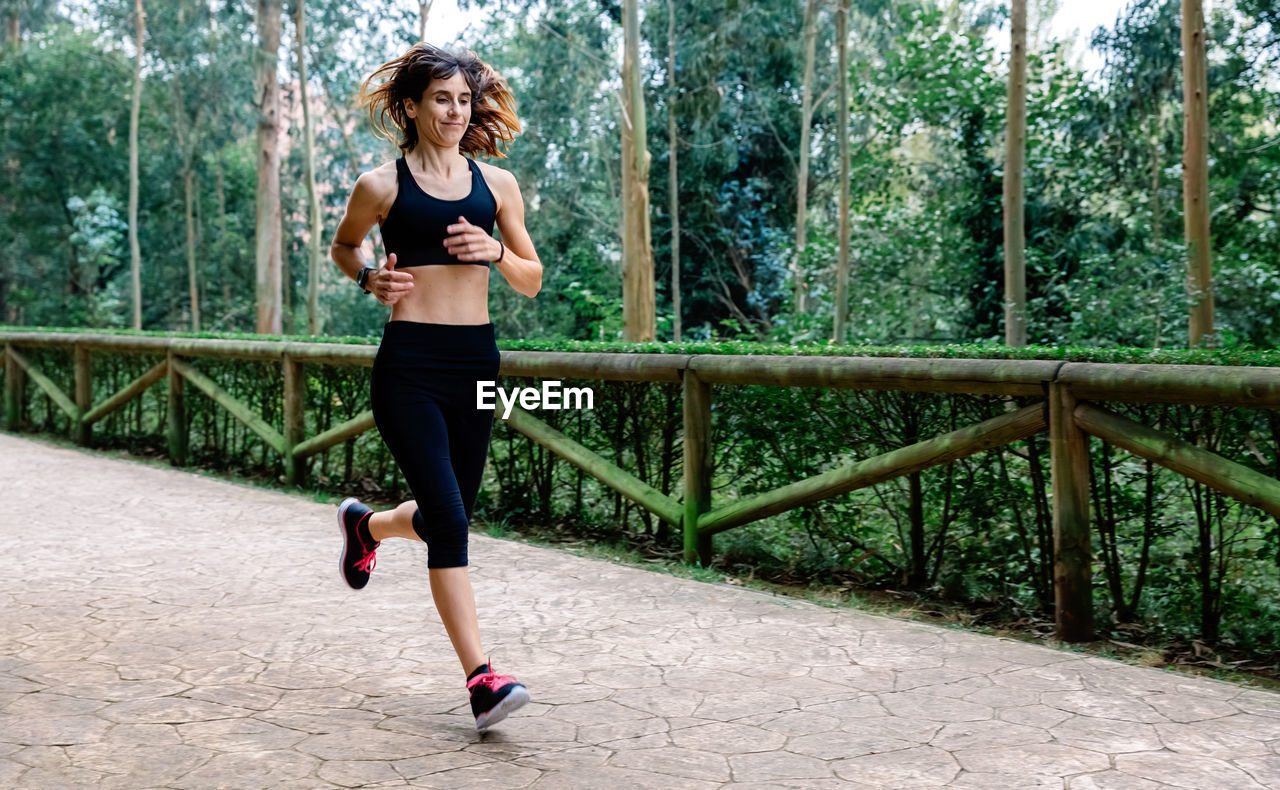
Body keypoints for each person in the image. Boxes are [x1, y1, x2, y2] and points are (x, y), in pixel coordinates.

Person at [328, 42, 542, 732]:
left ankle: (366, 525)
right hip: (410, 365)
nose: (455, 111)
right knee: (450, 522)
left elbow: (532, 279)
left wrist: (498, 252)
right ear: (413, 106)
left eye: (463, 99)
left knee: (442, 517)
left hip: (477, 363)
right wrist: (369, 279)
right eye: (441, 99)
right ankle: (482, 680)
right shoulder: (380, 186)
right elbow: (344, 246)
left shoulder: (497, 188)